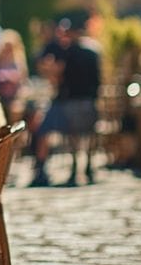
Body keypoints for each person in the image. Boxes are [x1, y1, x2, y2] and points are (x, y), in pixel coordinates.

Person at [29, 20, 101, 187]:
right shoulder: (93, 51)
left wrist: (47, 69)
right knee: (88, 134)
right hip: (89, 100)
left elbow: (57, 75)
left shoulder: (67, 52)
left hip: (69, 101)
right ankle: (88, 167)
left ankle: (60, 168)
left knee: (52, 130)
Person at [0, 29, 29, 122]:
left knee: (16, 109)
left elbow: (23, 82)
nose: (8, 50)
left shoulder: (18, 63)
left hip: (14, 97)